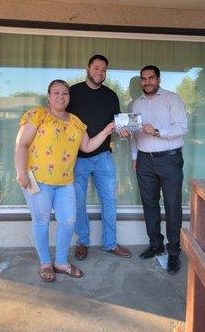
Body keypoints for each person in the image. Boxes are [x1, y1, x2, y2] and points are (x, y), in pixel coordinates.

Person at [15, 79, 115, 282]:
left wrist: (105, 131)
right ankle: (45, 263)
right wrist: (21, 173)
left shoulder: (76, 121)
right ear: (49, 96)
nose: (61, 97)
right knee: (41, 222)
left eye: (65, 93)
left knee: (69, 221)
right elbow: (21, 144)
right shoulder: (37, 115)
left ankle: (61, 262)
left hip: (65, 182)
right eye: (56, 93)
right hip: (38, 179)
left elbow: (86, 146)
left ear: (69, 97)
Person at [68, 54, 132, 260]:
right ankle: (83, 241)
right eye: (96, 68)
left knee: (109, 201)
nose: (100, 73)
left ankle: (110, 243)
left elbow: (118, 124)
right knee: (78, 202)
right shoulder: (73, 92)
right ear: (87, 69)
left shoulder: (111, 96)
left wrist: (123, 131)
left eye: (104, 70)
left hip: (103, 156)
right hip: (78, 158)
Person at [131, 65, 187, 274]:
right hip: (144, 160)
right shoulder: (136, 103)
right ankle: (155, 244)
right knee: (149, 203)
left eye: (151, 78)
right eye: (143, 79)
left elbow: (182, 127)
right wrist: (135, 156)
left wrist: (157, 132)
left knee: (172, 205)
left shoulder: (172, 99)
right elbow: (135, 133)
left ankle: (174, 252)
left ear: (158, 79)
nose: (147, 82)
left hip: (169, 159)